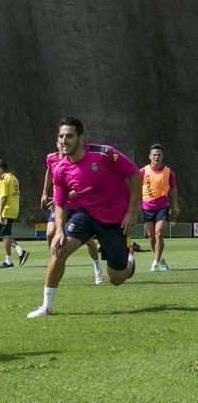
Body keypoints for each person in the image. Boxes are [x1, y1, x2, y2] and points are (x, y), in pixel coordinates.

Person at [28, 116, 140, 318]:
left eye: (69, 136)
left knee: (116, 279)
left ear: (81, 138)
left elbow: (134, 175)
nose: (64, 140)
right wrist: (60, 230)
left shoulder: (105, 154)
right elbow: (60, 204)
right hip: (86, 215)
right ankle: (46, 306)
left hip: (115, 220)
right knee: (59, 250)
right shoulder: (60, 169)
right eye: (61, 136)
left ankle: (129, 261)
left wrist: (132, 212)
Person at [41, 142, 103, 284]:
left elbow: (85, 186)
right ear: (57, 143)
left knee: (89, 242)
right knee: (50, 233)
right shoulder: (51, 158)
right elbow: (49, 172)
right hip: (60, 206)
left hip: (78, 206)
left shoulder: (79, 161)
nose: (63, 144)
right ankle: (56, 264)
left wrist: (65, 196)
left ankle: (97, 265)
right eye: (60, 140)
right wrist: (44, 192)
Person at [140, 144, 180, 272]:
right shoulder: (143, 171)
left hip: (162, 207)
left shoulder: (168, 172)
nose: (156, 157)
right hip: (147, 207)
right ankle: (160, 260)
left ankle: (155, 264)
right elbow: (134, 188)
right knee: (152, 237)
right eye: (154, 155)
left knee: (159, 233)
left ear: (162, 157)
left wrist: (175, 205)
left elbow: (173, 190)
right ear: (150, 156)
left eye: (159, 155)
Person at [0, 160, 29, 268]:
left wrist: (0, 212)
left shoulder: (4, 178)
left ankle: (8, 261)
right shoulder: (12, 177)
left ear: (1, 168)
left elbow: (4, 197)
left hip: (7, 209)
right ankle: (20, 251)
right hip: (13, 208)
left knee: (5, 235)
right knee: (5, 234)